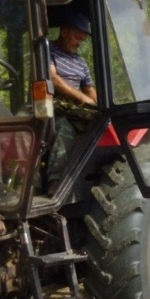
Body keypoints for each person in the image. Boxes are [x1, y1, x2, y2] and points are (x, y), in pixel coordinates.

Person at [46, 11, 97, 193]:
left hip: (74, 108)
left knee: (100, 122)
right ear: (64, 31)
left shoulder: (81, 62)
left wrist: (101, 107)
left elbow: (89, 89)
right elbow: (53, 78)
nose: (79, 43)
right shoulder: (48, 49)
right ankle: (54, 185)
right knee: (63, 129)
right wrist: (82, 98)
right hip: (52, 104)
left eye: (82, 40)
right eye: (77, 37)